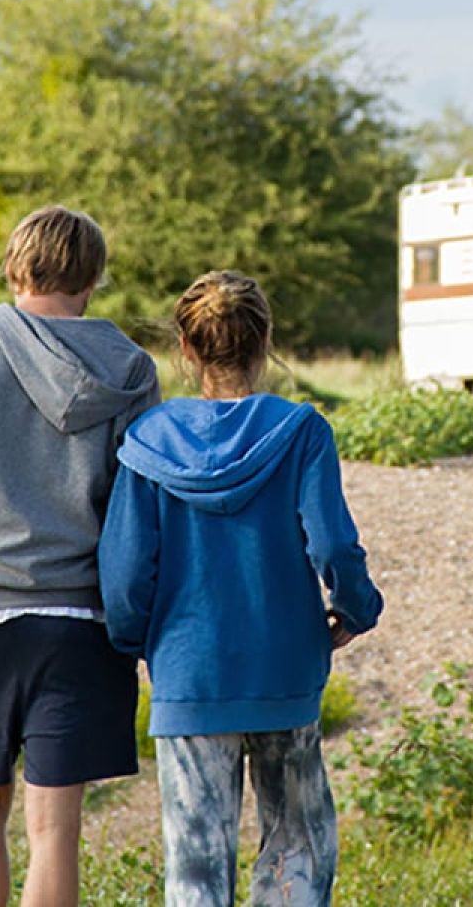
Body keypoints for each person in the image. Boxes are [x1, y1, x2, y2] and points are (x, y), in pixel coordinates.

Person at [0, 205, 160, 907]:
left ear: (15, 265)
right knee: (57, 828)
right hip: (80, 621)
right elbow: (135, 516)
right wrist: (133, 627)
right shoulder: (132, 369)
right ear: (94, 276)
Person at [99, 270, 384, 907]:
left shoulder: (148, 441)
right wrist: (356, 609)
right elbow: (333, 544)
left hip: (188, 672)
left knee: (196, 863)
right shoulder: (302, 431)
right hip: (284, 666)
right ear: (265, 342)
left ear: (187, 347)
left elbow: (122, 572)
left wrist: (137, 641)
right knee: (297, 848)